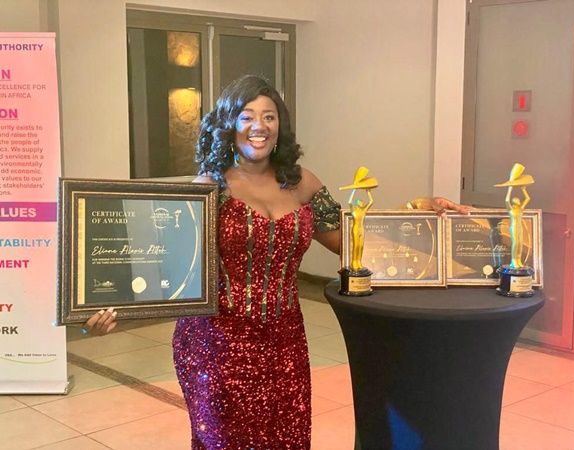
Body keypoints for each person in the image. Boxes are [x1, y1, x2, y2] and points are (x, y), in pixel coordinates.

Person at [84, 75, 468, 449]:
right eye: (247, 116)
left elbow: (350, 241)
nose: (259, 126)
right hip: (217, 345)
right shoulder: (209, 189)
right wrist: (113, 306)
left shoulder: (301, 182)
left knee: (287, 439)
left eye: (269, 116)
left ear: (279, 125)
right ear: (229, 124)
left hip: (286, 342)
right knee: (227, 441)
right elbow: (165, 266)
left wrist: (416, 212)